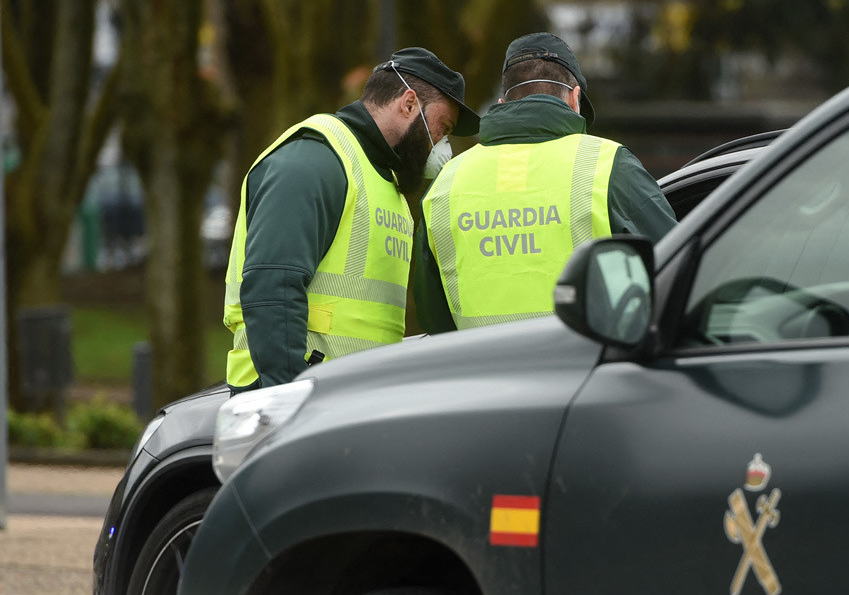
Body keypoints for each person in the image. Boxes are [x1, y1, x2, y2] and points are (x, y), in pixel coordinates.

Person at [224, 47, 479, 393]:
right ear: (408, 104)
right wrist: (286, 400)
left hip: (345, 400)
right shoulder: (315, 160)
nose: (443, 144)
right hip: (293, 398)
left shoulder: (385, 183)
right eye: (442, 127)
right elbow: (273, 288)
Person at [413, 32, 676, 334]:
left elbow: (434, 321)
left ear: (502, 103)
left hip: (483, 376)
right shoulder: (609, 166)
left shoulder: (446, 185)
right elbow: (679, 271)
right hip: (585, 376)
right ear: (575, 98)